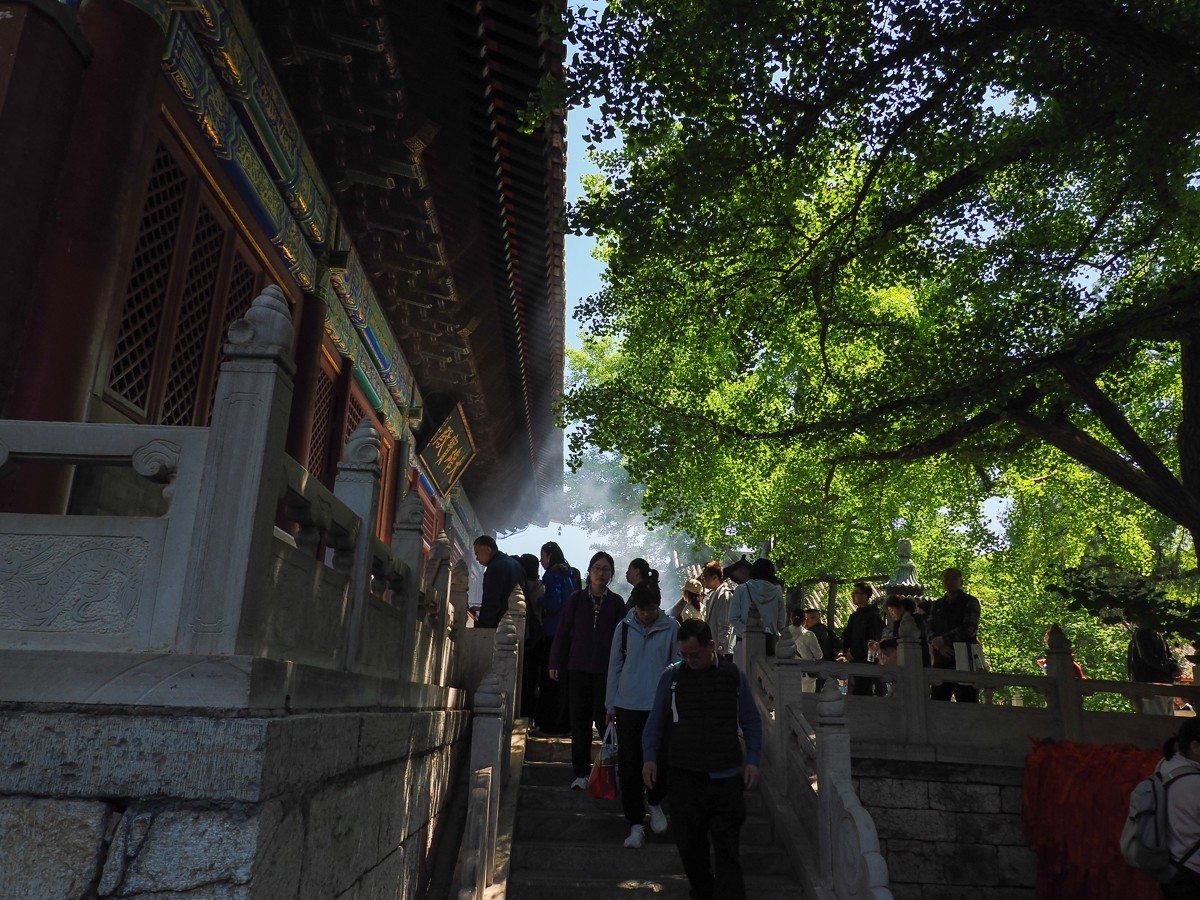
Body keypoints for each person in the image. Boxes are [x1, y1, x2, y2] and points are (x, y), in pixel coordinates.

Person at [642, 620, 762, 900]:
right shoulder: (671, 677)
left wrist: (753, 759)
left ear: (711, 646)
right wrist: (649, 758)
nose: (689, 660)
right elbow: (655, 723)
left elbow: (752, 720)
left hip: (726, 778)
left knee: (727, 851)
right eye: (684, 655)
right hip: (685, 778)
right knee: (691, 851)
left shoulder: (733, 676)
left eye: (694, 654)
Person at [606, 571, 680, 849]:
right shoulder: (623, 628)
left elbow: (678, 664)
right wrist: (610, 704)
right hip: (627, 705)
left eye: (649, 609)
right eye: (640, 609)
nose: (645, 615)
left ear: (658, 605)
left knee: (661, 759)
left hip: (658, 707)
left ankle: (655, 800)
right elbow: (614, 666)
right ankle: (635, 823)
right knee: (629, 764)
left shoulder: (672, 628)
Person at [549, 551, 625, 789]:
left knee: (605, 721)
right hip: (578, 667)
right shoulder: (575, 599)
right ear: (589, 572)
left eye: (606, 569)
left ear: (611, 574)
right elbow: (562, 632)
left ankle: (613, 769)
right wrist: (554, 661)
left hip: (606, 671)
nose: (601, 573)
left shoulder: (616, 603)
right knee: (579, 721)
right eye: (597, 568)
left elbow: (624, 639)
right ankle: (580, 773)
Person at [535, 541, 579, 734]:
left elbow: (554, 603)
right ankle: (566, 724)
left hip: (553, 633)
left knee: (550, 681)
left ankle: (550, 725)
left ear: (550, 555)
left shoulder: (551, 575)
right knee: (565, 682)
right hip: (570, 635)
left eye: (543, 555)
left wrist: (539, 599)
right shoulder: (570, 576)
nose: (541, 560)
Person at [1157, 718, 1200, 898]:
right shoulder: (1194, 783)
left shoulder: (1166, 764)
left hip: (1171, 867)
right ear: (1195, 747)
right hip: (1193, 874)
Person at [927, 568, 981, 703]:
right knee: (938, 701)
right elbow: (928, 629)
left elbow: (969, 628)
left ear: (961, 582)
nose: (949, 581)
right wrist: (938, 645)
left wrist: (943, 640)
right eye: (946, 578)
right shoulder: (937, 604)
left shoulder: (970, 601)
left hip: (964, 659)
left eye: (954, 578)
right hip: (941, 660)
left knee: (967, 701)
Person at [729, 557, 788, 656]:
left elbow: (733, 617)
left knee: (745, 670)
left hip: (744, 643)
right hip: (769, 643)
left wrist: (747, 632)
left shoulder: (741, 589)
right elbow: (781, 622)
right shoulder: (777, 592)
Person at [840, 581, 884, 696]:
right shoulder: (854, 617)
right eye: (853, 593)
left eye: (856, 593)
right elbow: (847, 636)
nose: (853, 595)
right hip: (853, 661)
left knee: (862, 692)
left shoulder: (873, 616)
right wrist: (844, 651)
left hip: (866, 662)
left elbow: (873, 640)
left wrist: (855, 653)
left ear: (865, 596)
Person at [472, 535, 526, 629]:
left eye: (477, 553)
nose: (477, 558)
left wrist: (483, 627)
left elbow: (492, 602)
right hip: (516, 624)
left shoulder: (495, 567)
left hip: (500, 626)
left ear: (488, 550)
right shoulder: (516, 565)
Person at [1128, 625, 1181, 716]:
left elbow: (1168, 656)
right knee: (1158, 721)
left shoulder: (1157, 634)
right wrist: (1170, 670)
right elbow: (1148, 658)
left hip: (1162, 684)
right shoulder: (1142, 634)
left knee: (1164, 721)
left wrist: (1174, 668)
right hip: (1151, 686)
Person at [519, 552, 546, 719]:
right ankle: (532, 712)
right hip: (537, 637)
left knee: (522, 676)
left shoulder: (520, 585)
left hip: (522, 635)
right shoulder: (542, 587)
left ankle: (522, 709)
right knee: (535, 677)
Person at [701, 561, 737, 661]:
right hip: (714, 647)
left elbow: (725, 624)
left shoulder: (724, 595)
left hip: (721, 651)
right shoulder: (713, 595)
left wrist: (721, 646)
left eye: (705, 575)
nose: (702, 579)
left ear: (715, 577)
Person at [788, 609, 822, 692]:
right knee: (807, 701)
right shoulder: (809, 634)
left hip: (789, 674)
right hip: (806, 674)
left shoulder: (784, 634)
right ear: (804, 620)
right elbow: (819, 655)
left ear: (791, 619)